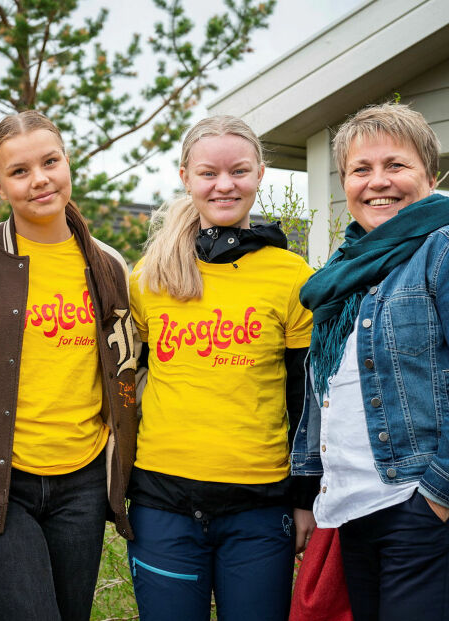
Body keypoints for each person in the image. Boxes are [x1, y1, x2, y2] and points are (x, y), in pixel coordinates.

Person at [291, 102, 449, 620]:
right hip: (354, 509)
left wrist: (438, 496)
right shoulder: (343, 275)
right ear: (345, 183)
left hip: (427, 504)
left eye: (396, 165)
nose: (379, 183)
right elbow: (326, 396)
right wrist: (310, 490)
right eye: (361, 170)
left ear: (430, 176)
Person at [0, 110, 139, 621]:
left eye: (50, 161)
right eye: (19, 171)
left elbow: (128, 373)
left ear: (67, 162)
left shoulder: (109, 265)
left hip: (82, 486)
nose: (40, 179)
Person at [127, 115, 316, 621]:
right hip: (162, 502)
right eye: (209, 173)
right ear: (186, 176)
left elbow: (306, 399)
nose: (224, 185)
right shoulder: (149, 276)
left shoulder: (292, 276)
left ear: (259, 175)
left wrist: (305, 498)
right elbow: (125, 384)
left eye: (239, 171)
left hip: (260, 506)